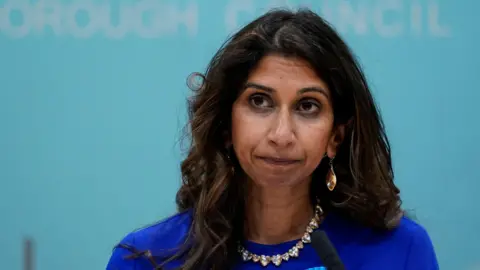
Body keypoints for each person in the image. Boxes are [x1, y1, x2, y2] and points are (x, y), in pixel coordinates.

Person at [106, 8, 438, 270]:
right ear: (226, 125)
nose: (281, 135)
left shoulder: (401, 251)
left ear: (336, 136)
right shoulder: (146, 259)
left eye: (307, 106)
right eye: (259, 102)